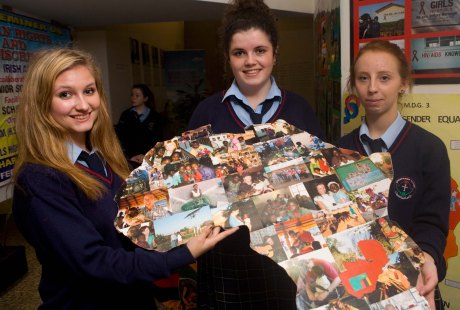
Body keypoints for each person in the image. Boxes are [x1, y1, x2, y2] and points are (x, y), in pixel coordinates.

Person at [12, 47, 238, 309]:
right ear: (42, 102)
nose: (83, 105)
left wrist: (206, 205)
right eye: (65, 94)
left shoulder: (103, 157)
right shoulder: (40, 179)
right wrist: (186, 253)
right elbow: (94, 262)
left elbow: (133, 224)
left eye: (89, 91)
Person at [335, 39, 450, 309]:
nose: (372, 88)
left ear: (403, 84)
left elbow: (432, 223)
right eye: (363, 78)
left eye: (384, 78)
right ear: (354, 85)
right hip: (358, 288)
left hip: (412, 284)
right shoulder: (338, 150)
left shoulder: (429, 148)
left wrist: (428, 258)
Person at [187, 0, 324, 138]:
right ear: (228, 58)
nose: (250, 61)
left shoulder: (300, 109)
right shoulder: (205, 112)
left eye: (260, 51)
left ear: (274, 54)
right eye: (239, 53)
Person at [115, 83, 164, 167]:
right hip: (131, 158)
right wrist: (128, 157)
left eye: (137, 95)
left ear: (145, 98)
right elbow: (120, 137)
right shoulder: (126, 115)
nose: (133, 98)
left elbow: (159, 140)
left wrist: (148, 155)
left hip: (150, 158)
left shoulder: (155, 117)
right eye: (132, 95)